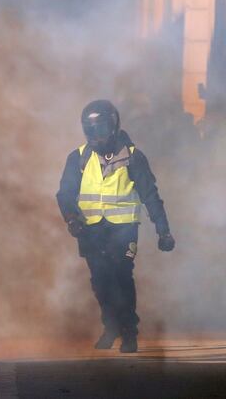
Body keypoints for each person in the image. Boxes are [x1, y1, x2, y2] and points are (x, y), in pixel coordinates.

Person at [56, 100, 174, 353]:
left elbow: (150, 196)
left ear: (114, 126)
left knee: (122, 276)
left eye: (100, 129)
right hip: (90, 231)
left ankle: (129, 333)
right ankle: (110, 327)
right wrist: (71, 219)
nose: (95, 136)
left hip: (123, 229)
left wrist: (163, 230)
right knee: (100, 281)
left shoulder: (133, 157)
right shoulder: (78, 158)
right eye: (90, 131)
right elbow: (64, 194)